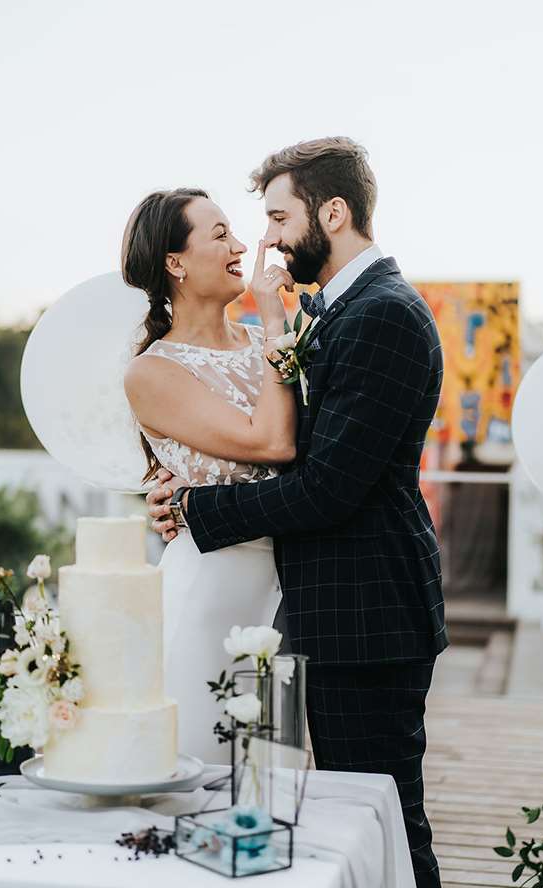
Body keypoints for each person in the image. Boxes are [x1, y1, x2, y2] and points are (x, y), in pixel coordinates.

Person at [146, 138, 448, 888]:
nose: (268, 238)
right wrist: (171, 478)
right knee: (287, 814)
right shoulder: (339, 314)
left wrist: (195, 506)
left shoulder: (382, 316)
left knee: (381, 822)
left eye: (279, 217)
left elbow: (326, 488)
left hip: (365, 613)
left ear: (333, 212)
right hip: (315, 610)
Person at [122, 187, 298, 763]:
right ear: (175, 263)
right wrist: (275, 323)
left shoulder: (264, 346)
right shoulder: (153, 373)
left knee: (277, 777)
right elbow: (270, 442)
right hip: (211, 591)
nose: (241, 245)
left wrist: (273, 335)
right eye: (220, 234)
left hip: (294, 586)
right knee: (200, 766)